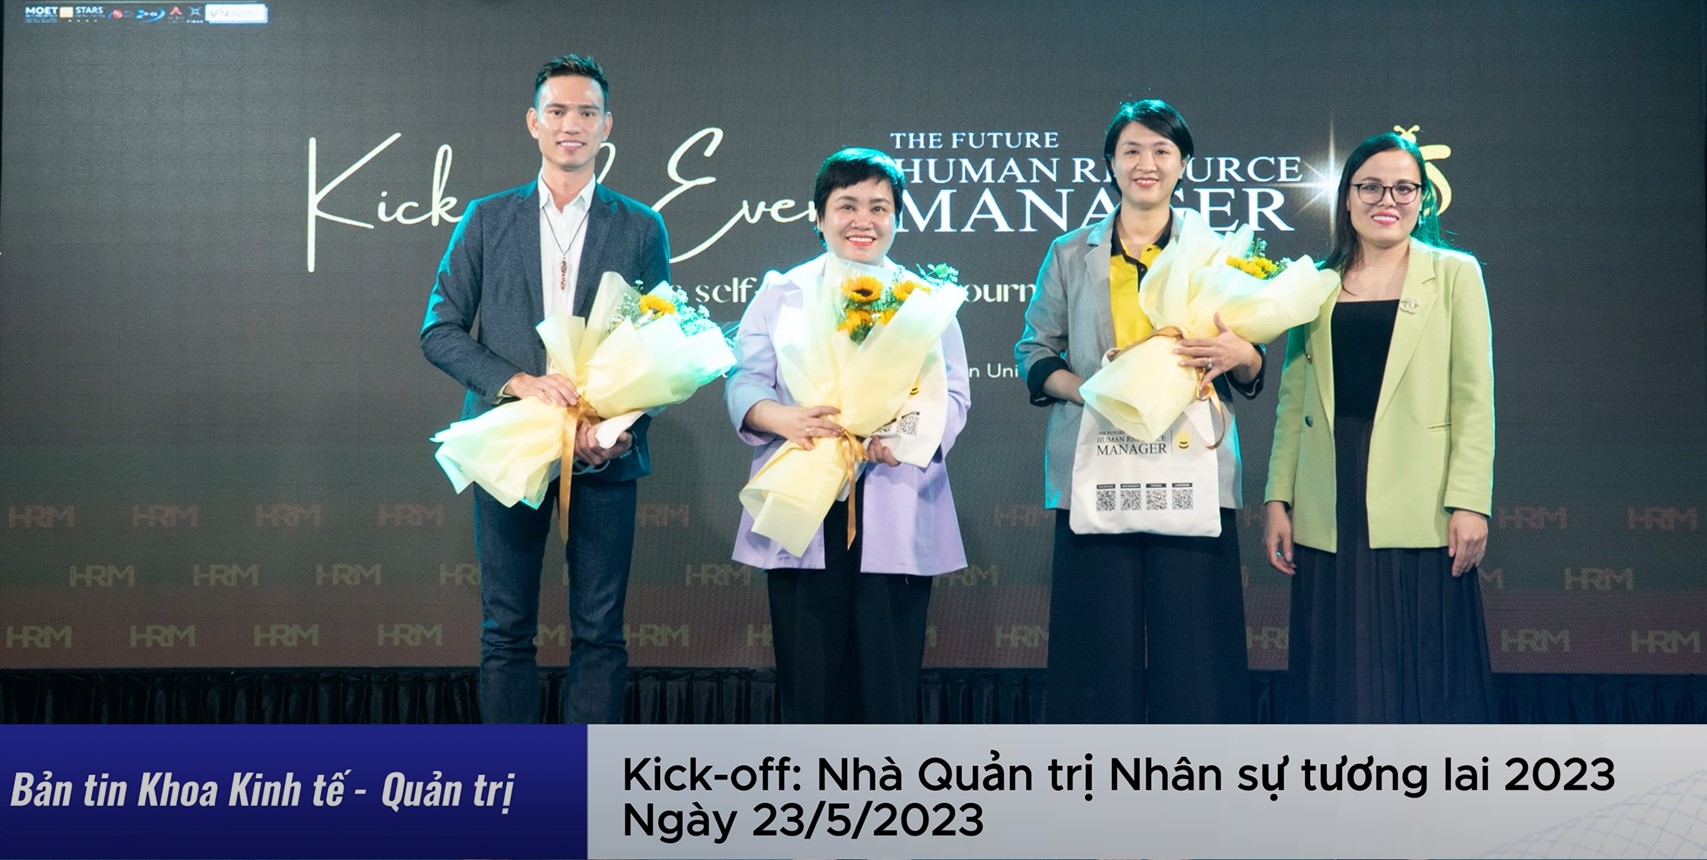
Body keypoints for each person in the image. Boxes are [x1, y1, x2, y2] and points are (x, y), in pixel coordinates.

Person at [420, 54, 670, 724]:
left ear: (606, 126)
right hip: (509, 444)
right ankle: (515, 779)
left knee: (601, 632)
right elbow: (439, 330)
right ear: (533, 122)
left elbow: (659, 346)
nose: (571, 124)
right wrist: (520, 384)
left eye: (586, 112)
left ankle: (587, 780)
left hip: (603, 453)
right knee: (506, 629)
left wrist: (614, 431)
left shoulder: (640, 226)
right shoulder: (486, 219)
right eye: (557, 111)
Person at [1014, 100, 1258, 723]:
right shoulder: (1070, 252)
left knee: (1198, 650)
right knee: (1096, 650)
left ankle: (1201, 773)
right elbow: (1034, 352)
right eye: (1131, 150)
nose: (1146, 163)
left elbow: (1251, 363)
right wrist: (1092, 390)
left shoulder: (1217, 253)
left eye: (1161, 151)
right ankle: (1094, 774)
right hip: (1098, 462)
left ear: (1184, 164)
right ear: (1111, 163)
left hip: (1191, 464)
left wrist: (1242, 354)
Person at [726, 147, 970, 724]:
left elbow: (953, 397)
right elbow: (745, 380)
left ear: (898, 219)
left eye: (879, 207)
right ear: (819, 216)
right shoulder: (782, 292)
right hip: (805, 493)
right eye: (847, 205)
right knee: (808, 681)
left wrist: (902, 440)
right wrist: (779, 417)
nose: (864, 220)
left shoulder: (925, 302)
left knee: (888, 682)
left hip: (893, 490)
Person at [1263, 131, 1496, 723]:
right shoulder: (1316, 283)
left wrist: (1470, 501)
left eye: (1403, 188)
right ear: (1347, 198)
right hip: (1330, 490)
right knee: (1338, 662)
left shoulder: (1454, 274)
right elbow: (1293, 400)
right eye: (1370, 187)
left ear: (1422, 200)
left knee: (1422, 663)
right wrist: (1278, 498)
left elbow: (1474, 398)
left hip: (1423, 495)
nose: (1386, 200)